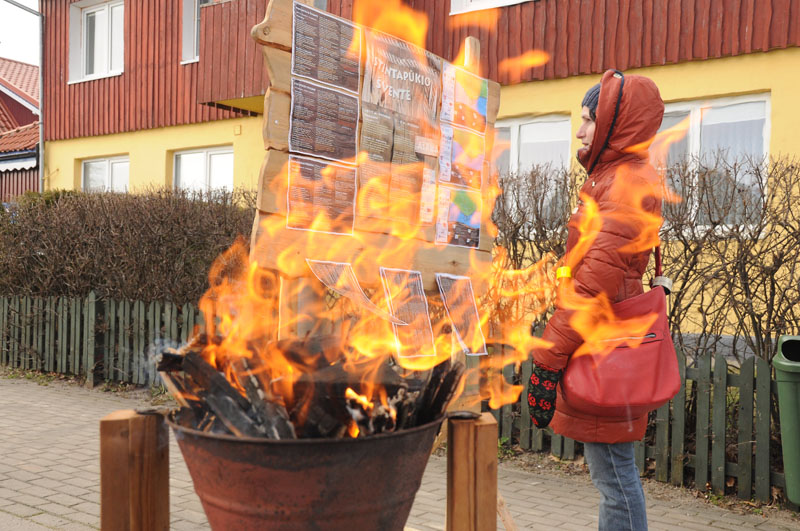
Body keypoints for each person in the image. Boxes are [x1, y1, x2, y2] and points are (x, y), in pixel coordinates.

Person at [527, 69, 665, 531]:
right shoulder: (612, 178)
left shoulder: (623, 184)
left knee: (616, 476)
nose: (580, 129)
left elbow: (594, 287)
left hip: (606, 344)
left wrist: (548, 358)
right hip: (603, 340)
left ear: (613, 123)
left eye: (589, 118)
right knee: (611, 473)